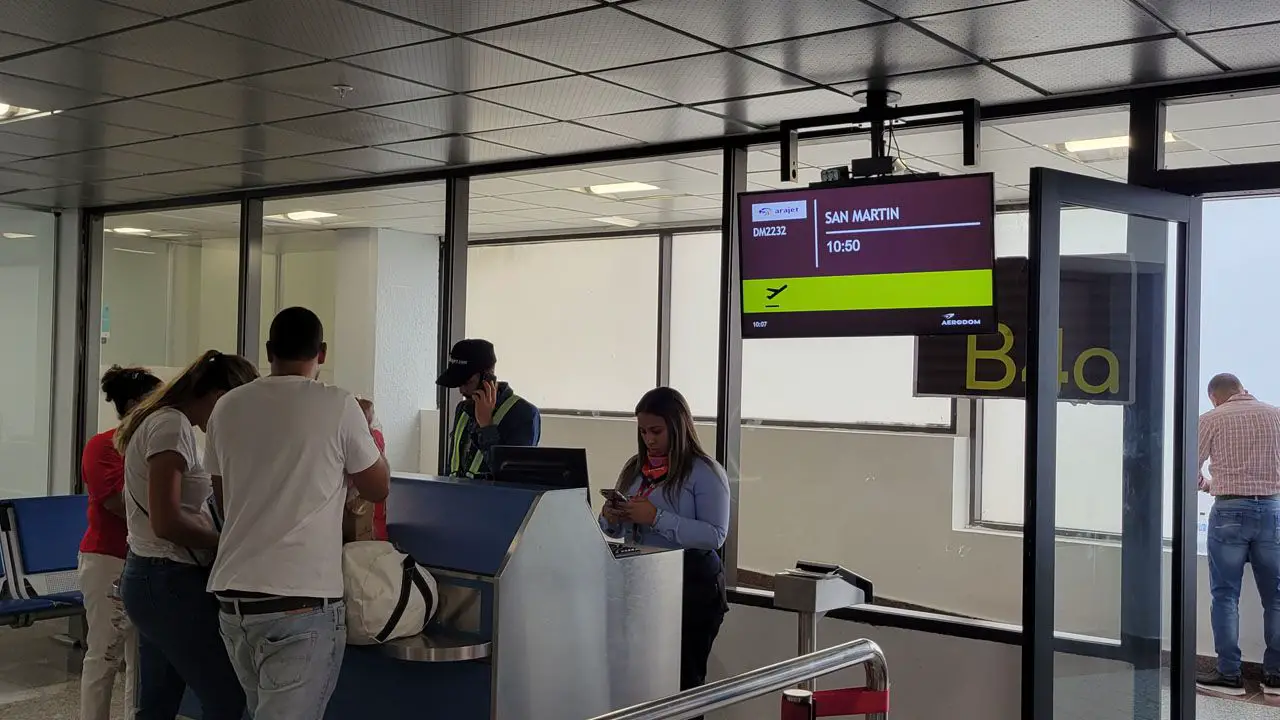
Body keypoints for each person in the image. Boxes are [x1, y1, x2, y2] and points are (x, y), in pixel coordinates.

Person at [205, 307, 390, 720]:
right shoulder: (339, 405)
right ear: (322, 353)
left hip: (235, 602)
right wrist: (366, 429)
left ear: (269, 350)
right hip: (300, 603)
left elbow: (224, 500)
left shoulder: (227, 406)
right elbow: (377, 487)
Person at [116, 350, 259, 720]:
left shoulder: (161, 421)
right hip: (168, 581)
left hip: (151, 577)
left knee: (159, 704)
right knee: (227, 697)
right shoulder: (171, 426)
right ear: (219, 397)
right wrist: (227, 542)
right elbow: (167, 522)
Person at [600, 387, 731, 703]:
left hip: (692, 585)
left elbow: (715, 535)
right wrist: (611, 516)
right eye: (643, 431)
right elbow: (615, 531)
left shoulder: (705, 472)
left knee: (684, 683)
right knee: (640, 680)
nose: (649, 439)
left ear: (677, 426)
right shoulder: (635, 469)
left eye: (656, 431)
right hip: (641, 582)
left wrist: (657, 518)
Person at [79, 366, 161, 720]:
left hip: (147, 560)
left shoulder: (159, 448)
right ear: (134, 405)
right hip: (108, 560)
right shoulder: (103, 446)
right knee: (105, 652)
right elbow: (116, 502)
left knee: (141, 657)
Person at [1195, 372, 1280, 696]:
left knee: (1225, 595)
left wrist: (1208, 485)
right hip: (1272, 510)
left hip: (1229, 511)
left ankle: (1229, 675)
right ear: (1243, 389)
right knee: (1276, 597)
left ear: (1214, 397)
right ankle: (1276, 677)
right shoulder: (1275, 415)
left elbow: (1188, 466)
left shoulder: (1211, 418)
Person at [435, 338, 540, 478]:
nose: (462, 390)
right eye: (458, 384)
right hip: (457, 491)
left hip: (491, 493)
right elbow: (453, 467)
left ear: (488, 377)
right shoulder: (463, 409)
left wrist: (486, 427)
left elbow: (514, 478)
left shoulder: (523, 414)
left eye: (468, 382)